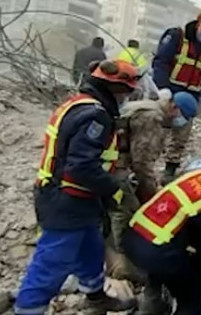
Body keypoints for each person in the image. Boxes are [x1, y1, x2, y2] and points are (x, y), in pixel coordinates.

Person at [15, 60, 140, 315]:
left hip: (74, 198)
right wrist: (113, 189)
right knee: (52, 263)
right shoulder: (96, 116)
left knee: (91, 249)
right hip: (66, 200)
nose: (127, 98)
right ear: (114, 89)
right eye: (126, 93)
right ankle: (27, 309)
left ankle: (95, 296)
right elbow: (81, 167)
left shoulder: (78, 104)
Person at [107, 89, 199, 281]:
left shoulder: (147, 106)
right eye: (182, 116)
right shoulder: (154, 119)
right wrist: (153, 194)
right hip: (115, 166)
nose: (181, 122)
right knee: (126, 210)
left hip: (111, 162)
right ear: (174, 107)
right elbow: (141, 163)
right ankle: (123, 264)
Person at [122, 162, 201, 315]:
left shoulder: (197, 177)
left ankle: (151, 307)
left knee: (163, 274)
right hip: (157, 249)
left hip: (134, 235)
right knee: (194, 299)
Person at [152, 10, 201, 181]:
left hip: (190, 96)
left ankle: (170, 169)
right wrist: (162, 88)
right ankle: (146, 166)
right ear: (199, 24)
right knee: (157, 131)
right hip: (169, 90)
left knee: (181, 134)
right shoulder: (177, 36)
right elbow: (161, 61)